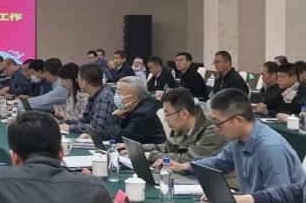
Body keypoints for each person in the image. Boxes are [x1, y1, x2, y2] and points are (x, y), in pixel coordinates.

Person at [167, 88, 306, 194]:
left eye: (218, 123)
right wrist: (186, 166)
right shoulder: (238, 139)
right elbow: (220, 163)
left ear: (238, 120)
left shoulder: (270, 148)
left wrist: (241, 201)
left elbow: (279, 197)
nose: (215, 128)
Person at [142, 88, 226, 164]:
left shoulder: (213, 128)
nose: (165, 119)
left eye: (167, 114)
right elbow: (168, 147)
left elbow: (191, 159)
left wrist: (152, 156)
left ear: (184, 114)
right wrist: (139, 149)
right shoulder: (182, 126)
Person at [60, 63, 116, 139]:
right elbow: (85, 119)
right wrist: (66, 122)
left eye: (78, 80)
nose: (77, 82)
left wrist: (70, 128)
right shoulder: (94, 94)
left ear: (84, 83)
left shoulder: (103, 98)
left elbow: (96, 128)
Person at [110, 76, 165, 144]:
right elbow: (116, 132)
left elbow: (122, 139)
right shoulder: (127, 109)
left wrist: (113, 117)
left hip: (150, 150)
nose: (116, 96)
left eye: (119, 93)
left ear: (134, 97)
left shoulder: (143, 114)